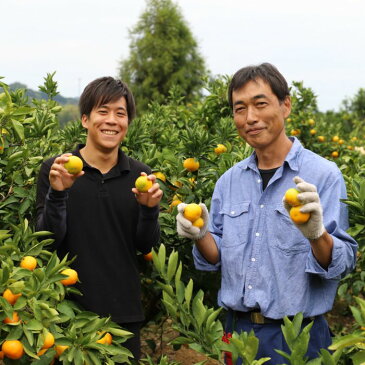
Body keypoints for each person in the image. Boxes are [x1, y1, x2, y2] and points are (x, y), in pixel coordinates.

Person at [176, 63, 357, 364]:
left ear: (285, 105)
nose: (250, 118)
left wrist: (317, 235)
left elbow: (343, 262)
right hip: (235, 332)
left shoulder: (324, 175)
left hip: (298, 337)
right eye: (240, 108)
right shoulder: (228, 181)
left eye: (260, 104)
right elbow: (217, 256)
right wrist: (201, 235)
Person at [36, 77, 163, 362]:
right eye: (103, 111)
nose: (112, 120)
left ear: (128, 122)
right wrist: (58, 194)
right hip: (65, 313)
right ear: (85, 119)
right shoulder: (56, 169)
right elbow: (46, 240)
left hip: (124, 316)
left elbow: (146, 245)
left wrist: (148, 209)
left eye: (121, 113)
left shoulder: (139, 175)